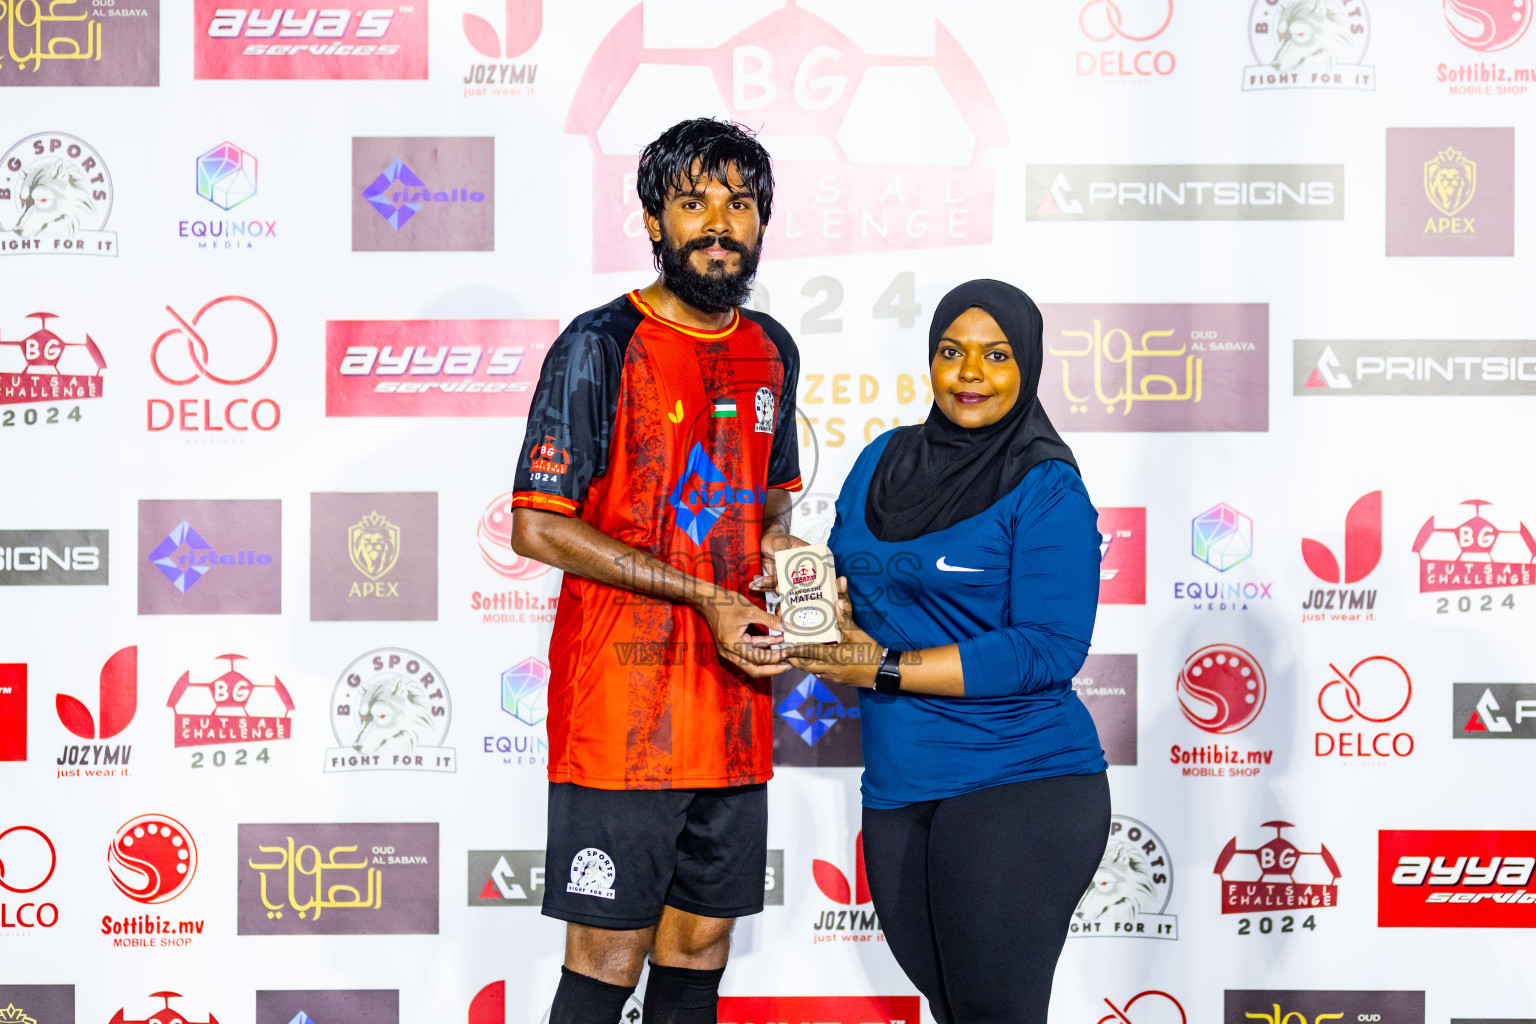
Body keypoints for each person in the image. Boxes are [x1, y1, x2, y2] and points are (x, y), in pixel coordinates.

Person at [510, 119, 804, 1024]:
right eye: (694, 203)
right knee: (606, 955)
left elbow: (771, 509)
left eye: (739, 204)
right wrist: (709, 596)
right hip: (620, 717)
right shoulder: (599, 344)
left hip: (732, 710)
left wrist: (793, 578)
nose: (719, 224)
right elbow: (537, 526)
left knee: (699, 947)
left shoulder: (772, 350)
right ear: (652, 220)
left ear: (761, 223)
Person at [783, 279, 1109, 1024]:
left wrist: (880, 667)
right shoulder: (881, 461)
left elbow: (1047, 649)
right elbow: (848, 586)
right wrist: (815, 619)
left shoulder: (1046, 484)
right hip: (900, 789)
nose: (971, 374)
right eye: (951, 352)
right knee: (956, 1011)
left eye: (996, 355)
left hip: (1020, 783)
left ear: (1027, 363)